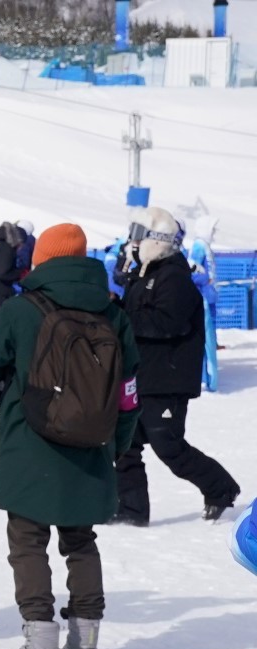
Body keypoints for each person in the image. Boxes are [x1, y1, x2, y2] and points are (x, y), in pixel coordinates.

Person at [0, 223, 140, 649]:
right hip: (93, 448)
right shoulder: (114, 314)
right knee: (81, 542)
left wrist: (5, 385)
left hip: (30, 443)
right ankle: (86, 645)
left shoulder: (22, 310)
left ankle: (41, 643)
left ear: (41, 260)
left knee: (28, 542)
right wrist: (114, 444)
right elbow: (129, 392)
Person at [112, 206, 241, 524]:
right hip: (142, 375)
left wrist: (122, 317)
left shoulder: (174, 277)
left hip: (166, 379)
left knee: (168, 445)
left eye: (140, 235)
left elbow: (167, 322)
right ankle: (131, 509)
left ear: (157, 239)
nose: (133, 242)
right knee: (125, 443)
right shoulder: (145, 275)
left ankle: (221, 488)